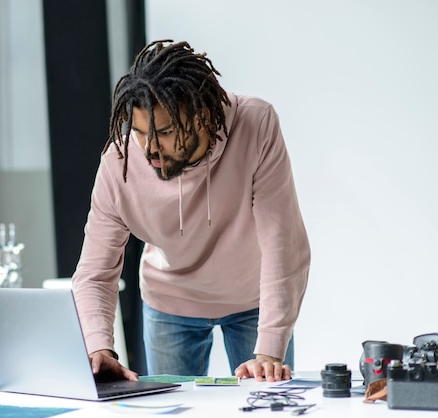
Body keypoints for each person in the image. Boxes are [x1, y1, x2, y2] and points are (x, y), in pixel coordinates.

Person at [71, 39, 310, 382]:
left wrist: (270, 350)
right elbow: (94, 272)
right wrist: (98, 349)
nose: (149, 147)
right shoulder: (119, 164)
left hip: (254, 300)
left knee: (268, 405)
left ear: (202, 117)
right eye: (139, 132)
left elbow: (282, 241)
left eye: (164, 132)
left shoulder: (255, 125)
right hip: (170, 303)